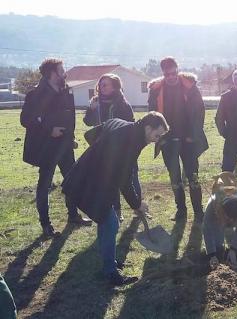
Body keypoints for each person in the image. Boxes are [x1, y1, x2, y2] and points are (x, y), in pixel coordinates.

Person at [62, 112, 169, 286]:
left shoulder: (122, 123)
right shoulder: (130, 142)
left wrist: (102, 152)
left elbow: (91, 134)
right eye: (157, 135)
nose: (157, 140)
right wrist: (136, 204)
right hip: (89, 183)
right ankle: (110, 272)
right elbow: (124, 179)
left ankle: (109, 262)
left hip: (92, 179)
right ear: (148, 128)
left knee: (107, 222)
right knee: (110, 222)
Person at [20, 58, 92, 238]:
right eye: (61, 70)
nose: (65, 73)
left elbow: (71, 117)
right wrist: (49, 129)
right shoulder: (35, 95)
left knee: (72, 180)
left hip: (65, 145)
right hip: (46, 147)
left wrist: (72, 138)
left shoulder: (66, 91)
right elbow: (26, 120)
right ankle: (46, 225)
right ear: (52, 73)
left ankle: (73, 215)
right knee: (44, 185)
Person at [148, 57, 208, 221]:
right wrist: (159, 136)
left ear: (178, 70)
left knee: (193, 176)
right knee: (174, 177)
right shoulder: (155, 90)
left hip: (189, 139)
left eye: (174, 72)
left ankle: (198, 211)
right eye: (167, 74)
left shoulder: (190, 87)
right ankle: (181, 210)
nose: (171, 76)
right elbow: (152, 115)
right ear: (163, 73)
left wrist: (193, 135)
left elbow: (199, 112)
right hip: (168, 139)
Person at [83, 73, 136, 222]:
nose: (101, 87)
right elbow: (87, 122)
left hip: (121, 147)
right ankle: (116, 211)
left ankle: (137, 207)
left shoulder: (122, 103)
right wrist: (91, 110)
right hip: (101, 147)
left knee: (130, 178)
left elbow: (131, 124)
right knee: (109, 180)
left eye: (105, 84)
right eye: (100, 84)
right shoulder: (95, 102)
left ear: (114, 87)